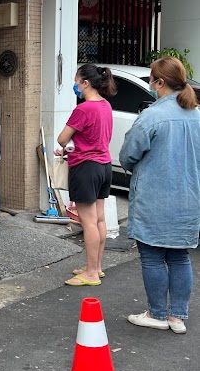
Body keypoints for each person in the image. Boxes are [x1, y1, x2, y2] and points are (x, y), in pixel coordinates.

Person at [119, 56, 200, 334]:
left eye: (152, 79)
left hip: (155, 198)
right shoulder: (197, 115)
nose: (151, 84)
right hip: (188, 199)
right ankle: (177, 317)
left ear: (160, 82)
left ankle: (157, 313)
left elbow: (128, 155)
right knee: (179, 257)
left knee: (153, 257)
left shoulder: (152, 116)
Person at [55, 64, 116, 286]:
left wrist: (67, 146)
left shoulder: (83, 109)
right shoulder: (106, 105)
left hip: (85, 167)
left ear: (85, 83)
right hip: (104, 165)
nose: (75, 85)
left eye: (76, 81)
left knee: (88, 221)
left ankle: (90, 273)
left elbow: (62, 139)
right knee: (99, 218)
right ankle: (96, 267)